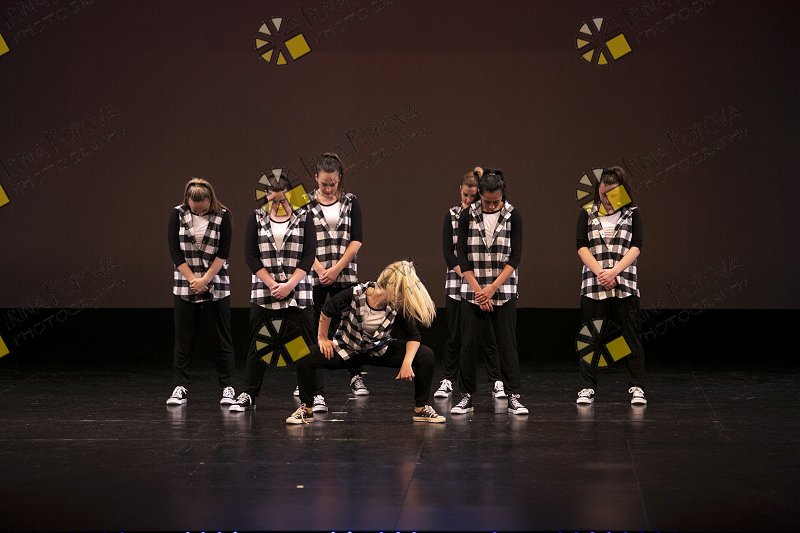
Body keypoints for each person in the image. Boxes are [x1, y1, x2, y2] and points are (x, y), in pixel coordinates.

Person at [287, 261, 446, 424]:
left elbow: (414, 335)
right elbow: (327, 309)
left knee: (425, 354)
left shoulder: (395, 304)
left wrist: (407, 362)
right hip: (347, 349)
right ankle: (306, 409)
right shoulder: (355, 293)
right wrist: (322, 338)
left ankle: (421, 408)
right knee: (303, 354)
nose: (401, 297)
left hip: (378, 350)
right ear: (391, 287)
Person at [229, 172, 316, 412]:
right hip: (264, 293)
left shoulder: (304, 217)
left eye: (282, 200)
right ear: (266, 198)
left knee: (302, 346)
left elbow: (309, 255)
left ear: (290, 196)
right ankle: (249, 394)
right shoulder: (256, 218)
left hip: (297, 293)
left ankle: (312, 397)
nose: (277, 205)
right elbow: (250, 255)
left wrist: (289, 285)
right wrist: (271, 284)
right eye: (272, 201)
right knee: (260, 343)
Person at [451, 169, 529, 416]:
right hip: (472, 291)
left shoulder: (513, 215)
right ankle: (466, 397)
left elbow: (515, 257)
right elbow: (462, 255)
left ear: (503, 196)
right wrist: (479, 291)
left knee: (507, 344)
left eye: (497, 202)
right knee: (468, 345)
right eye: (487, 202)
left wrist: (492, 289)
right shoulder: (467, 215)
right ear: (480, 196)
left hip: (503, 291)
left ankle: (513, 395)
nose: (492, 206)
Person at [297, 153, 367, 412]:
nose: (328, 188)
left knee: (351, 323)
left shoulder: (351, 201)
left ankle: (355, 375)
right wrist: (318, 268)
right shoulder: (301, 201)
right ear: (316, 178)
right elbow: (298, 239)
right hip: (313, 274)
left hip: (344, 273)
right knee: (310, 325)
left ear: (340, 180)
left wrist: (336, 269)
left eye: (333, 184)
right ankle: (307, 379)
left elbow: (357, 239)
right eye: (324, 183)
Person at [575, 166, 647, 405]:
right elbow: (581, 246)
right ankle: (587, 387)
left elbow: (636, 246)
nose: (606, 199)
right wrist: (601, 273)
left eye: (612, 194)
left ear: (623, 191)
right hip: (594, 285)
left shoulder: (632, 213)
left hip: (624, 283)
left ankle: (637, 386)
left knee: (631, 336)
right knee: (591, 336)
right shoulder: (587, 212)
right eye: (603, 194)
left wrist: (615, 272)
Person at [435, 167, 507, 400]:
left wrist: (479, 286)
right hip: (458, 284)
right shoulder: (452, 215)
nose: (468, 200)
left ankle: (496, 380)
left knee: (488, 336)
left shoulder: (485, 216)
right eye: (464, 195)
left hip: (482, 287)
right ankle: (448, 378)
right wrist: (467, 276)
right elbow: (450, 253)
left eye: (472, 196)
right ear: (460, 191)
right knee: (454, 335)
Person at [166, 178, 236, 406]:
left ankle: (228, 387)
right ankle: (180, 387)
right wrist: (193, 280)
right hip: (185, 284)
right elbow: (175, 252)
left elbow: (224, 252)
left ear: (210, 200)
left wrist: (205, 279)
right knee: (183, 338)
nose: (199, 212)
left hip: (216, 284)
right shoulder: (177, 215)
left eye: (203, 209)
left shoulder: (223, 216)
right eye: (195, 209)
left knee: (221, 338)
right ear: (187, 201)